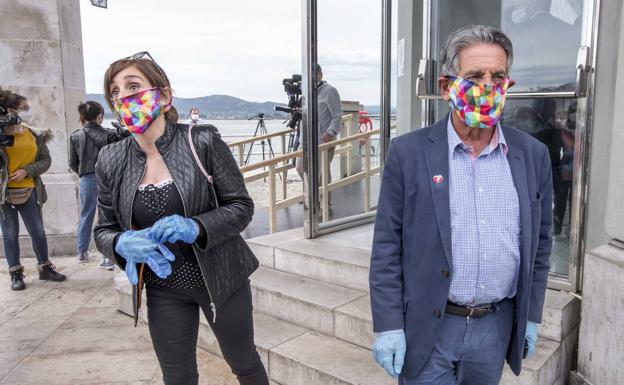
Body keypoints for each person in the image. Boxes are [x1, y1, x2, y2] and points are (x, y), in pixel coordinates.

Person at [369, 25, 552, 384]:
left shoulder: (533, 155)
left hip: (495, 328)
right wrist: (388, 324)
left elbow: (541, 244)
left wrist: (531, 315)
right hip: (429, 325)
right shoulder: (408, 153)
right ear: (445, 86)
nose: (487, 85)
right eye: (474, 76)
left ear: (508, 85)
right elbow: (387, 245)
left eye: (497, 76)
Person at [94, 51, 268, 385]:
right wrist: (120, 242)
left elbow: (241, 206)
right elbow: (103, 228)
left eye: (133, 86)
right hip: (163, 288)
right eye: (115, 92)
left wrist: (197, 226)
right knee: (177, 376)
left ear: (163, 95)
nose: (123, 97)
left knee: (244, 363)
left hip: (221, 277)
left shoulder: (201, 140)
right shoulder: (110, 159)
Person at [0, 88, 66, 290]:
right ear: (10, 110)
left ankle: (45, 268)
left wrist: (27, 171)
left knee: (37, 231)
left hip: (30, 190)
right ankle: (15, 274)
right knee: (10, 234)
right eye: (24, 108)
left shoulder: (34, 134)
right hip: (4, 194)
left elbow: (45, 160)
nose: (28, 111)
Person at [69, 100, 129, 268]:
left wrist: (83, 172)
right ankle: (108, 258)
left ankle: (82, 252)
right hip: (108, 179)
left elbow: (73, 162)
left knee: (85, 215)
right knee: (108, 217)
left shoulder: (75, 135)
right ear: (100, 116)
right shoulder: (109, 134)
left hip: (86, 178)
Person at [295, 63, 342, 183]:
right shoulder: (307, 92)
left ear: (320, 74)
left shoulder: (330, 91)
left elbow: (337, 115)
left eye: (313, 75)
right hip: (306, 140)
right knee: (300, 167)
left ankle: (324, 200)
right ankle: (313, 196)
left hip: (324, 139)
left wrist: (330, 132)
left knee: (321, 173)